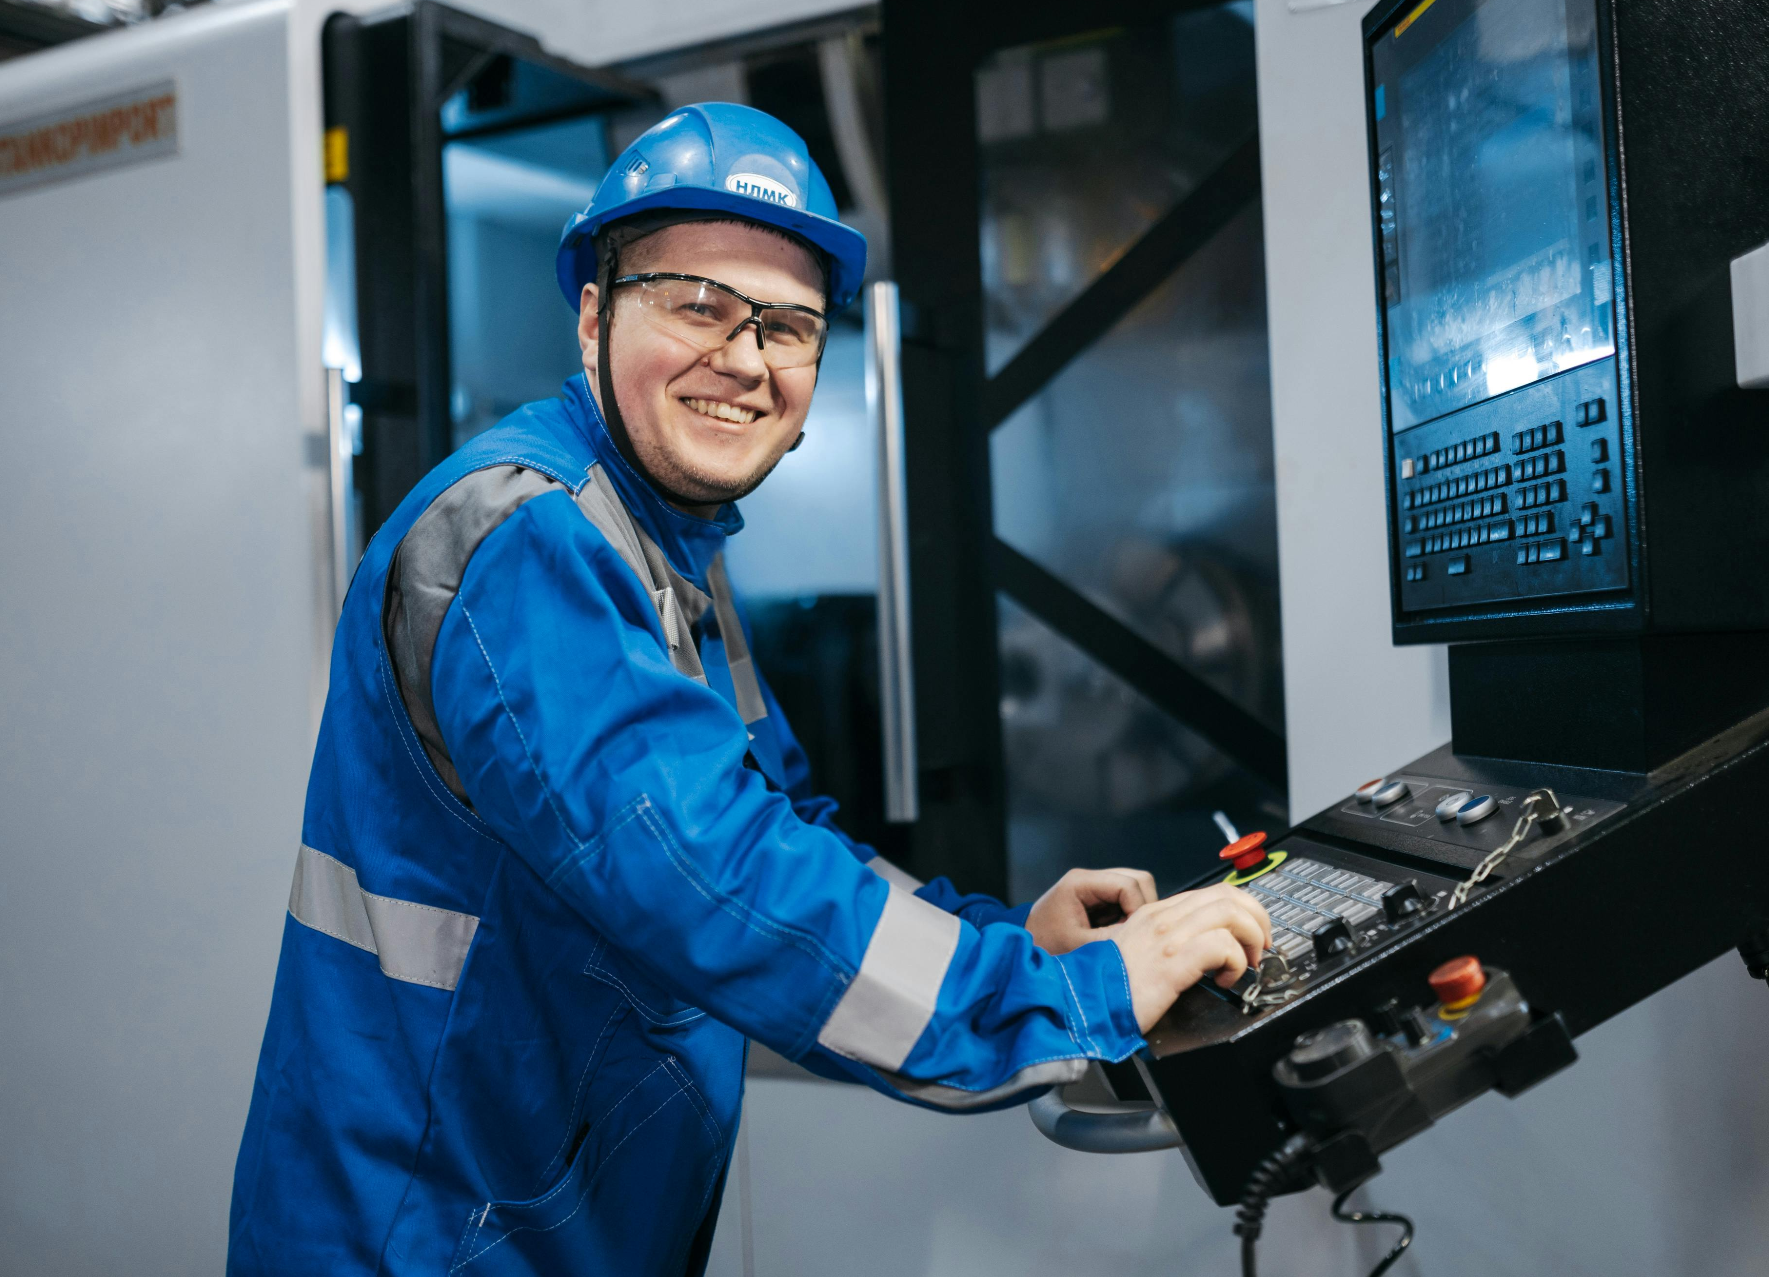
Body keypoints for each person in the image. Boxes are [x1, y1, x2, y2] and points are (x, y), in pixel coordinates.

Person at [227, 102, 1273, 1275]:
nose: (741, 360)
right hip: (424, 1236)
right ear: (591, 317)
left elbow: (771, 828)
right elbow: (710, 882)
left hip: (542, 1215)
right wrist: (1058, 997)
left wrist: (998, 938)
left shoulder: (661, 545)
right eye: (695, 304)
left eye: (785, 326)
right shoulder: (532, 543)